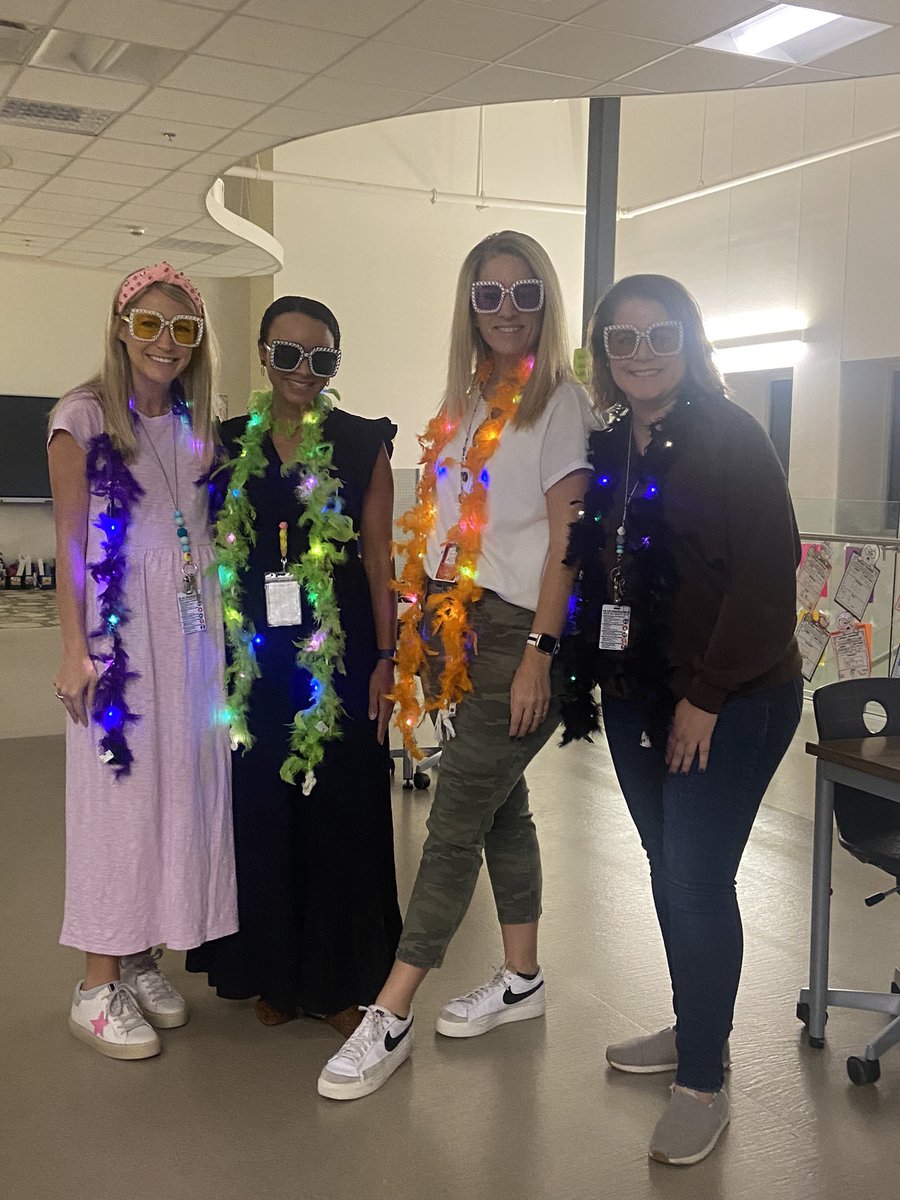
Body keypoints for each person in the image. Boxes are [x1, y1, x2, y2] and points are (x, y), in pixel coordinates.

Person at [318, 230, 596, 1100]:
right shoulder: (468, 401)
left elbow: (567, 543)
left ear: (546, 301)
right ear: (469, 306)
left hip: (522, 631)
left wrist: (541, 657)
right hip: (461, 625)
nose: (507, 310)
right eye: (489, 294)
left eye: (524, 294)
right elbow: (445, 521)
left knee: (454, 822)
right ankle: (522, 980)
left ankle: (391, 1013)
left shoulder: (561, 402)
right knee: (500, 806)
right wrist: (423, 622)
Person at [563, 274, 802, 1165]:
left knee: (698, 883)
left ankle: (702, 1079)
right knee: (669, 873)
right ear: (604, 356)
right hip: (636, 696)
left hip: (733, 699)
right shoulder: (616, 442)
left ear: (690, 341)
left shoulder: (733, 437)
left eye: (659, 336)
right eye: (622, 341)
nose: (642, 354)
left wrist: (703, 698)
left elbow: (766, 584)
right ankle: (695, 1025)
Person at [186, 297, 401, 1037]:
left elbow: (379, 558)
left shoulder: (363, 441)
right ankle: (273, 972)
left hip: (341, 666)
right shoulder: (225, 444)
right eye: (287, 355)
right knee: (264, 814)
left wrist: (387, 657)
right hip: (253, 669)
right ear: (263, 354)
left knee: (343, 814)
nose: (303, 372)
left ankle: (343, 981)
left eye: (321, 359)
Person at [48, 262, 236, 1059]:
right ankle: (95, 985)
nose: (166, 343)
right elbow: (65, 544)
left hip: (189, 637)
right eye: (151, 325)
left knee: (178, 795)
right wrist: (72, 649)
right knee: (119, 800)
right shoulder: (81, 418)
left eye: (183, 329)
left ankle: (141, 952)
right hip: (117, 640)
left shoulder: (202, 422)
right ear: (122, 327)